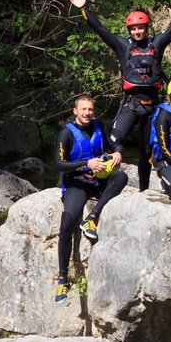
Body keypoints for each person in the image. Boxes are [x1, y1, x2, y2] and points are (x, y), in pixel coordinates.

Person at [67, 0, 171, 191]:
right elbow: (100, 29)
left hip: (152, 108)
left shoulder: (157, 44)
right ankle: (92, 181)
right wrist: (85, 9)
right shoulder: (122, 46)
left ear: (146, 28)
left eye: (141, 28)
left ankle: (144, 191)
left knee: (146, 151)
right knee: (112, 141)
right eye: (134, 29)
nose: (137, 32)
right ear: (129, 30)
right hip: (130, 105)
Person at [51, 94, 128, 304]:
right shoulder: (66, 133)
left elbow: (117, 144)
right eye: (83, 109)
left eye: (90, 110)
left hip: (99, 180)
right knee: (66, 225)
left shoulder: (99, 126)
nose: (87, 113)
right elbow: (58, 164)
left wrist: (117, 154)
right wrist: (86, 163)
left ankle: (93, 216)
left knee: (121, 176)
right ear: (75, 111)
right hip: (77, 183)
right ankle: (63, 278)